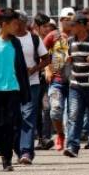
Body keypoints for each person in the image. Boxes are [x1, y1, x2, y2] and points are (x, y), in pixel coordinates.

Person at [0, 8, 31, 171]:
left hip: (12, 90)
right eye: (14, 24)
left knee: (9, 126)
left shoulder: (16, 43)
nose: (17, 27)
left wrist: (24, 91)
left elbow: (22, 68)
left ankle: (7, 160)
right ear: (4, 24)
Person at [64, 13, 89, 157]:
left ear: (81, 25)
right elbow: (62, 60)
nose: (71, 28)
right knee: (74, 116)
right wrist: (66, 60)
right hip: (75, 86)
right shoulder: (70, 42)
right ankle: (72, 147)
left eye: (73, 25)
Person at [15, 12, 50, 164]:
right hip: (11, 85)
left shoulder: (34, 39)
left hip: (32, 84)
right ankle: (17, 148)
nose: (14, 25)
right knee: (15, 117)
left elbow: (47, 58)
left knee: (28, 116)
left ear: (24, 23)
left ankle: (26, 152)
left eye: (17, 22)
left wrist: (34, 69)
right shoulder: (7, 39)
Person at [44, 7, 75, 151]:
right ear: (61, 20)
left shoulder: (79, 35)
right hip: (57, 79)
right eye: (67, 20)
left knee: (73, 113)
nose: (70, 23)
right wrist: (47, 69)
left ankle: (71, 142)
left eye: (72, 20)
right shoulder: (53, 36)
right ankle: (60, 134)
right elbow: (42, 55)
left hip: (75, 80)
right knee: (55, 110)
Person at [34, 13, 56, 151]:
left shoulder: (52, 39)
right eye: (45, 26)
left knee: (46, 108)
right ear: (37, 26)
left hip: (47, 79)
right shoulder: (33, 39)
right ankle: (40, 138)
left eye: (49, 26)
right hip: (34, 78)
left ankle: (44, 138)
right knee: (36, 110)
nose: (47, 29)